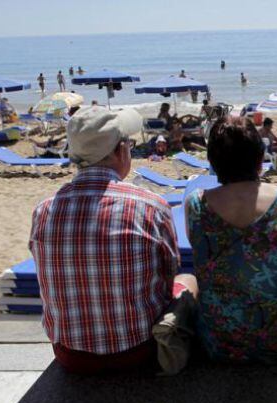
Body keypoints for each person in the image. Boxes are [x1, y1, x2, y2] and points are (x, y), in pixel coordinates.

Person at [29, 106, 198, 374]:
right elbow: (169, 276)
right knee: (188, 280)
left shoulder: (44, 210)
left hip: (69, 356)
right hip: (138, 351)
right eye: (129, 144)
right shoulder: (150, 205)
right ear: (121, 151)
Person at [185, 117, 277, 363]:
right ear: (260, 159)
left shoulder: (195, 203)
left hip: (219, 342)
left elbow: (202, 260)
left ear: (213, 162)